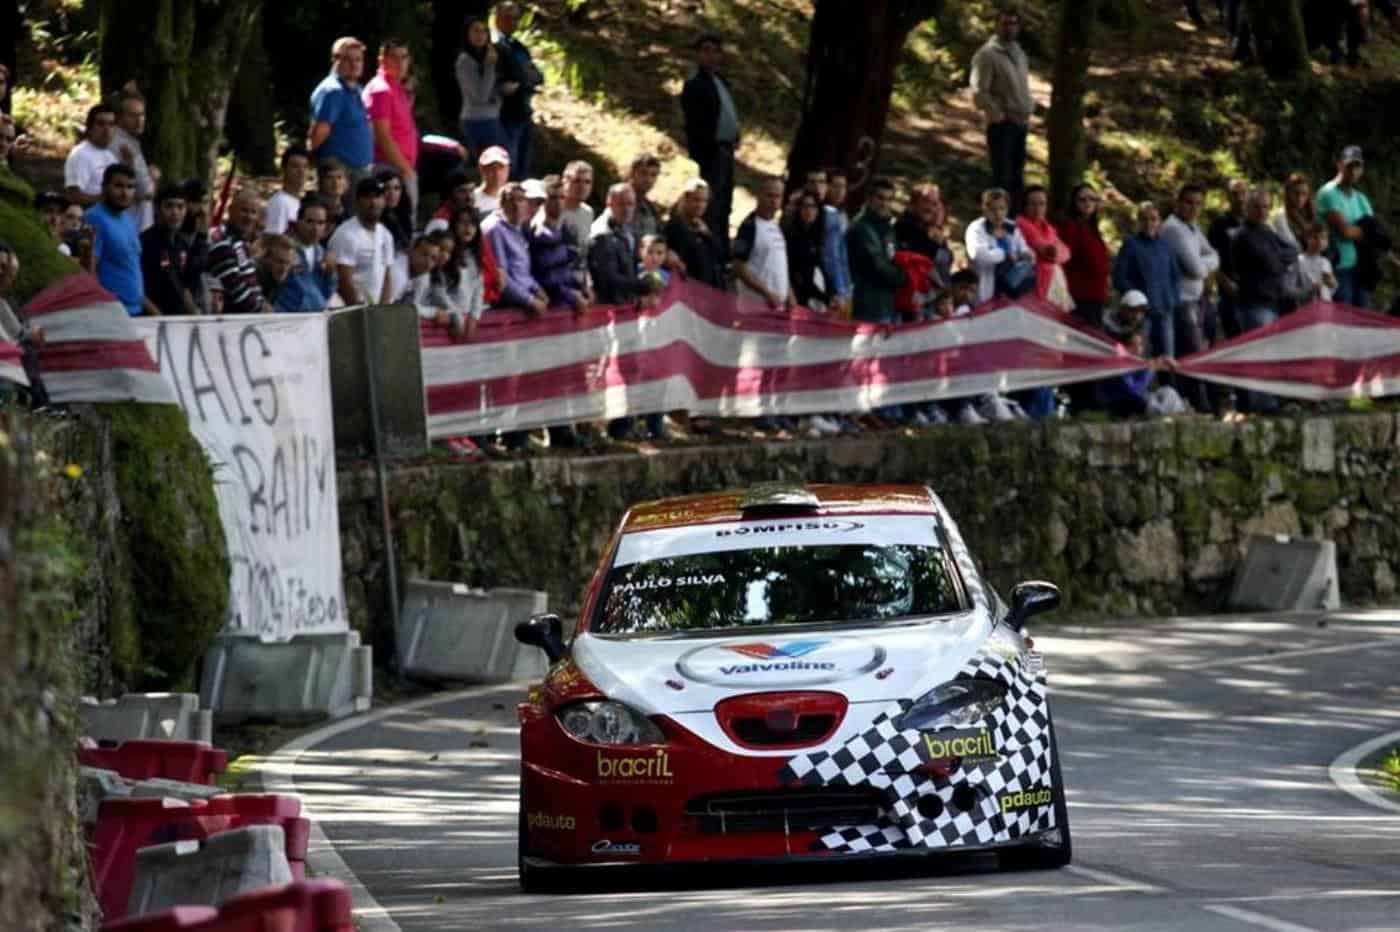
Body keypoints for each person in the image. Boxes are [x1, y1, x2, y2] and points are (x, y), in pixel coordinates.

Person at [1231, 188, 1297, 411]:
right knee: (1259, 355)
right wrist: (1278, 260)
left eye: (1266, 207)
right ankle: (1260, 403)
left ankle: (1269, 400)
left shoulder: (1267, 231)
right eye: (1257, 207)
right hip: (1254, 302)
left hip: (1273, 301)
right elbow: (1272, 263)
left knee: (1272, 354)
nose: (1262, 211)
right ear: (1247, 208)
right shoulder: (1243, 235)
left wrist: (1277, 259)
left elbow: (1292, 251)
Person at [681, 34, 740, 260]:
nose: (710, 55)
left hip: (726, 149)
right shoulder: (695, 84)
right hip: (710, 152)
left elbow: (726, 111)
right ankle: (707, 252)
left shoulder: (721, 81)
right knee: (710, 204)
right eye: (705, 50)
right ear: (698, 54)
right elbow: (694, 123)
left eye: (715, 50)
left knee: (724, 203)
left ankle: (721, 251)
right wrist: (707, 148)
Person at [1160, 184, 1218, 410]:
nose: (1193, 208)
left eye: (1197, 204)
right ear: (1178, 203)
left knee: (1206, 350)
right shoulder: (1173, 228)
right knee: (1192, 353)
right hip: (1183, 301)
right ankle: (1199, 405)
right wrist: (1206, 265)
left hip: (1199, 298)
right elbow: (1196, 269)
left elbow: (1214, 254)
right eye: (1188, 202)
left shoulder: (1192, 227)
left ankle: (1208, 403)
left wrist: (1205, 263)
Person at [969, 6, 1033, 214]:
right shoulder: (987, 54)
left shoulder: (1019, 52)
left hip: (1020, 122)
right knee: (1002, 177)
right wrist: (997, 114)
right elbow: (979, 91)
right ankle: (996, 219)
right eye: (1005, 23)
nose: (1009, 28)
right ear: (997, 25)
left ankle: (1014, 221)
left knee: (1017, 176)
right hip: (1002, 125)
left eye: (1013, 23)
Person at [308, 37, 374, 200]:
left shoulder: (357, 89)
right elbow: (318, 133)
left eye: (358, 59)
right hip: (340, 173)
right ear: (335, 60)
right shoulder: (332, 91)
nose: (354, 64)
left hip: (360, 171)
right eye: (348, 59)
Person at [1113, 201, 1180, 360]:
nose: (1149, 223)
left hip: (1165, 311)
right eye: (1144, 219)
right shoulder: (1131, 245)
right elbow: (1119, 278)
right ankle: (1138, 385)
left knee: (1167, 358)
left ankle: (1167, 385)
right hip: (1141, 315)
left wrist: (1173, 299)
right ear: (1139, 222)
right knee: (1139, 358)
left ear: (1159, 221)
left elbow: (1174, 276)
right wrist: (1136, 302)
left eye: (1153, 219)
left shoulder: (1165, 245)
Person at [363, 38, 419, 214]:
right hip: (389, 169)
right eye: (394, 57)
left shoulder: (396, 87)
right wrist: (406, 169)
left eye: (404, 57)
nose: (400, 63)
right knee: (400, 222)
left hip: (400, 167)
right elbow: (382, 136)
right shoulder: (381, 90)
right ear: (382, 60)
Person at [80, 164, 144, 316]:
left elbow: (131, 267)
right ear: (104, 187)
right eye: (118, 186)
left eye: (130, 187)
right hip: (110, 312)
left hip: (136, 310)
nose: (125, 193)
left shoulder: (128, 220)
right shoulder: (94, 218)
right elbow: (88, 269)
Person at [1315, 145, 1375, 307]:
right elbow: (1345, 232)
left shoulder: (1361, 198)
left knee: (1363, 321)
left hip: (1362, 267)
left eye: (1358, 166)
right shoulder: (1328, 193)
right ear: (1340, 165)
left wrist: (1362, 231)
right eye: (1350, 165)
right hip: (1339, 268)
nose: (1354, 170)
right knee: (1343, 321)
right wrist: (1363, 231)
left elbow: (1375, 232)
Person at [328, 176, 396, 306]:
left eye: (377, 197)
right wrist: (360, 310)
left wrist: (384, 307)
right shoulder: (347, 234)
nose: (373, 202)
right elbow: (344, 280)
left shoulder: (386, 235)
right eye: (367, 197)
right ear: (358, 202)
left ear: (383, 201)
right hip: (348, 309)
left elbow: (386, 275)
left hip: (375, 309)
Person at [482, 182, 548, 314]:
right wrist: (530, 300)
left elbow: (520, 270)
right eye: (511, 200)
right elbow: (501, 279)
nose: (517, 205)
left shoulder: (517, 226)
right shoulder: (495, 229)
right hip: (503, 308)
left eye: (521, 200)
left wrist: (536, 289)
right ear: (501, 203)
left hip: (522, 301)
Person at [494, 2, 543, 179]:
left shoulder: (519, 47)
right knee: (508, 166)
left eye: (515, 19)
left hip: (523, 111)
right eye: (507, 18)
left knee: (523, 167)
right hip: (503, 115)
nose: (512, 23)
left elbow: (537, 75)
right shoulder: (491, 45)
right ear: (497, 18)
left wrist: (524, 78)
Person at [847, 176, 904, 323]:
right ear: (869, 198)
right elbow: (876, 263)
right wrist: (900, 278)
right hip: (866, 304)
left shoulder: (888, 228)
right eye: (880, 198)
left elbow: (894, 257)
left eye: (889, 199)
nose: (884, 203)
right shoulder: (861, 227)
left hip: (886, 304)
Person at [965, 187, 1035, 305]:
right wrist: (1004, 255)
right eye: (992, 209)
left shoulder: (1011, 227)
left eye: (1002, 208)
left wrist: (1027, 254)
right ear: (984, 209)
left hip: (1011, 291)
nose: (997, 214)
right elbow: (977, 254)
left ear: (1007, 209)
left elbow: (1023, 248)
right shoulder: (976, 228)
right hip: (986, 290)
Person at [530, 174, 588, 313]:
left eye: (561, 197)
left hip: (566, 303)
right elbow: (546, 279)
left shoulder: (561, 231)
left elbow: (563, 271)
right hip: (552, 307)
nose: (558, 202)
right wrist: (573, 297)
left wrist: (581, 288)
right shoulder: (539, 233)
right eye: (552, 198)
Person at [207, 189, 271, 315]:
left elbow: (251, 284)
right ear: (231, 210)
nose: (248, 217)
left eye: (253, 212)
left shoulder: (240, 242)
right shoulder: (222, 241)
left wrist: (263, 303)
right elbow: (235, 288)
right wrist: (261, 309)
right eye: (244, 210)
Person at [0, 242, 48, 407]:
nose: (3, 273)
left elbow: (17, 334)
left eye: (5, 268)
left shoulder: (4, 304)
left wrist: (31, 335)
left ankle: (40, 403)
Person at [1056, 183, 1110, 328]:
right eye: (1082, 199)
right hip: (1079, 297)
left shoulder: (1093, 228)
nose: (1088, 203)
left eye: (1092, 199)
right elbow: (1063, 259)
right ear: (1074, 202)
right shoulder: (1070, 227)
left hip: (1097, 297)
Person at [732, 176, 790, 310]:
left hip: (777, 308)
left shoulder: (775, 225)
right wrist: (766, 293)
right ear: (759, 195)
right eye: (769, 195)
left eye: (778, 196)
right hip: (755, 309)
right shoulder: (749, 227)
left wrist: (789, 293)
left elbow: (780, 265)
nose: (774, 201)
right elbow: (739, 267)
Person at [140, 185, 198, 316]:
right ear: (157, 208)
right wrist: (159, 317)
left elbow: (183, 286)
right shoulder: (145, 243)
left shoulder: (182, 243)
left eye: (180, 207)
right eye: (169, 206)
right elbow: (136, 289)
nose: (175, 212)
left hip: (178, 321)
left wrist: (196, 314)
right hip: (151, 322)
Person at [456, 17, 507, 157]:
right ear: (467, 34)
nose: (480, 35)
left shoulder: (485, 57)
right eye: (476, 31)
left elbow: (491, 88)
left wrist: (498, 98)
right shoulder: (464, 61)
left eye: (484, 31)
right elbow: (481, 95)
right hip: (475, 121)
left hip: (492, 118)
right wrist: (490, 65)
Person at [1016, 185, 1073, 309]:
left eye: (1042, 204)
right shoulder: (1021, 225)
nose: (1038, 209)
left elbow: (1067, 253)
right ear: (1025, 205)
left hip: (1054, 283)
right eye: (1033, 204)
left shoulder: (1048, 228)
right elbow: (1046, 250)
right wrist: (1055, 252)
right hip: (1034, 284)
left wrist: (1055, 253)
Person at [895, 183, 954, 299]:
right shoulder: (905, 226)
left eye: (934, 204)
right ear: (913, 204)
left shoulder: (929, 228)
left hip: (934, 300)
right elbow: (927, 258)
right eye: (925, 201)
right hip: (912, 300)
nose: (930, 208)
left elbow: (948, 259)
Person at [279, 194, 337, 312]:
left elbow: (325, 294)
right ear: (298, 221)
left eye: (320, 223)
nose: (315, 228)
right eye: (310, 222)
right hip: (287, 319)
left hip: (314, 321)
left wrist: (330, 274)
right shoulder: (282, 248)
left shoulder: (322, 253)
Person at [665, 178, 725, 289]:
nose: (700, 205)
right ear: (686, 199)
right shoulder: (674, 227)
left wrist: (707, 234)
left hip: (708, 290)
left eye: (704, 201)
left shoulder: (704, 225)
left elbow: (721, 255)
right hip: (686, 290)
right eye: (696, 200)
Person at [1208, 178, 1249, 338]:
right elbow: (1211, 260)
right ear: (1227, 197)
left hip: (1254, 293)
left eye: (1243, 193)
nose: (1239, 198)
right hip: (1229, 293)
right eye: (1234, 194)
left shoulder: (1255, 222)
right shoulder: (1218, 225)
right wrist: (1225, 283)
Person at [589, 182, 641, 306]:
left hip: (627, 303)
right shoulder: (601, 233)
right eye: (621, 204)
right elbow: (609, 279)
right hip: (608, 308)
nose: (627, 209)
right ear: (609, 204)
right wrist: (643, 286)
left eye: (630, 204)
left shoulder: (626, 227)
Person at [113, 89, 158, 231]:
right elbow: (146, 191)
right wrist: (154, 178)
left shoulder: (131, 142)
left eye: (142, 114)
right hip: (132, 226)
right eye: (133, 115)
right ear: (119, 117)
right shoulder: (123, 146)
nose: (139, 120)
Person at [63, 104, 119, 208]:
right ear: (89, 127)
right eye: (101, 124)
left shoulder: (111, 156)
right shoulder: (80, 155)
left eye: (111, 124)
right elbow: (73, 196)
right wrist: (109, 199)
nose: (107, 129)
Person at [784, 190, 831, 310]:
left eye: (813, 207)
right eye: (805, 206)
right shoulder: (792, 236)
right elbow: (796, 273)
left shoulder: (816, 236)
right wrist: (825, 298)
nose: (809, 211)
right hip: (796, 298)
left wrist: (831, 294)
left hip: (815, 297)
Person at [820, 169, 854, 316]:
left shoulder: (841, 215)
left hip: (844, 286)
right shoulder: (823, 214)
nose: (840, 191)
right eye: (836, 186)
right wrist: (836, 289)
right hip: (831, 288)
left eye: (843, 187)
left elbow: (842, 255)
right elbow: (829, 256)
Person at [560, 160, 596, 276]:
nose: (582, 186)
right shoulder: (554, 211)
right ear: (564, 182)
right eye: (577, 181)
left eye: (587, 182)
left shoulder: (588, 213)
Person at [264, 147, 311, 235]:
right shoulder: (279, 202)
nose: (301, 171)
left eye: (305, 167)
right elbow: (274, 239)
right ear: (284, 169)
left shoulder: (302, 203)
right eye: (295, 166)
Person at [1291, 222, 1338, 304]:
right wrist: (1310, 289)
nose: (1320, 242)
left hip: (1325, 308)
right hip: (1306, 310)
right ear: (1306, 238)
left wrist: (1333, 284)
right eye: (1315, 237)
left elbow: (1330, 292)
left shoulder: (1325, 262)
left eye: (1324, 238)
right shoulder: (1298, 261)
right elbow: (1289, 290)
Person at [256, 234, 298, 308]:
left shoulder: (277, 279)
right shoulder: (254, 279)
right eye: (280, 262)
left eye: (288, 263)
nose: (284, 268)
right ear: (266, 259)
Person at [315, 159, 349, 234]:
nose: (335, 182)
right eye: (329, 177)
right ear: (321, 182)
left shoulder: (348, 210)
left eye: (339, 177)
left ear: (346, 182)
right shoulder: (314, 208)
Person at [475, 145, 510, 217]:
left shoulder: (515, 201)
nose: (497, 173)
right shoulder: (472, 199)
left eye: (501, 167)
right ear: (481, 169)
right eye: (491, 168)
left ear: (508, 169)